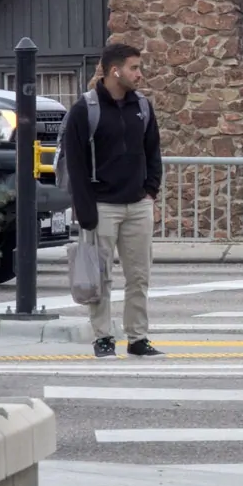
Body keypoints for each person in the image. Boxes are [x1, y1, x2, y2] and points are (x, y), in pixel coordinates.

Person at [61, 43, 164, 358]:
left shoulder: (142, 107)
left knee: (139, 276)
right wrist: (86, 209)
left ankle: (138, 338)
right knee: (99, 277)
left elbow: (153, 151)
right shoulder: (85, 110)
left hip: (137, 205)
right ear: (115, 70)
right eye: (135, 67)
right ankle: (103, 337)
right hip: (102, 206)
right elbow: (75, 163)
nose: (140, 73)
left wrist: (151, 190)